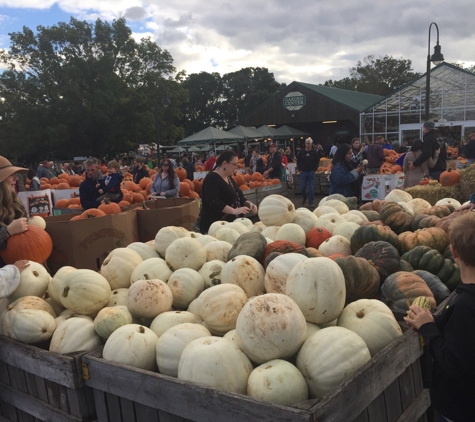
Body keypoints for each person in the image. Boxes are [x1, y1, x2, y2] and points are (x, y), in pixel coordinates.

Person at [404, 211, 475, 422]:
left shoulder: (465, 305)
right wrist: (434, 321)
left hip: (461, 409)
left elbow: (455, 362)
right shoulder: (464, 298)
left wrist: (428, 328)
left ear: (453, 252)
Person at [199, 151, 257, 234]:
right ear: (225, 163)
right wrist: (233, 211)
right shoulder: (211, 179)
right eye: (234, 164)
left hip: (229, 227)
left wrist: (248, 203)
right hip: (214, 227)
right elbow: (213, 201)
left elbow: (239, 196)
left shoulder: (229, 178)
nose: (236, 167)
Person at [0, 157, 29, 266]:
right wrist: (7, 231)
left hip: (23, 265)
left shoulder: (17, 203)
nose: (16, 178)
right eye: (10, 175)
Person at [297, 137, 323, 207]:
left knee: (311, 188)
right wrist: (299, 169)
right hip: (303, 172)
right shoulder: (301, 152)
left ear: (311, 144)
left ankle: (311, 202)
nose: (307, 145)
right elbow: (298, 161)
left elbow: (317, 161)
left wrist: (315, 170)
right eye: (306, 143)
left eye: (308, 143)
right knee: (302, 187)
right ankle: (305, 197)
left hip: (311, 172)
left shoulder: (314, 152)